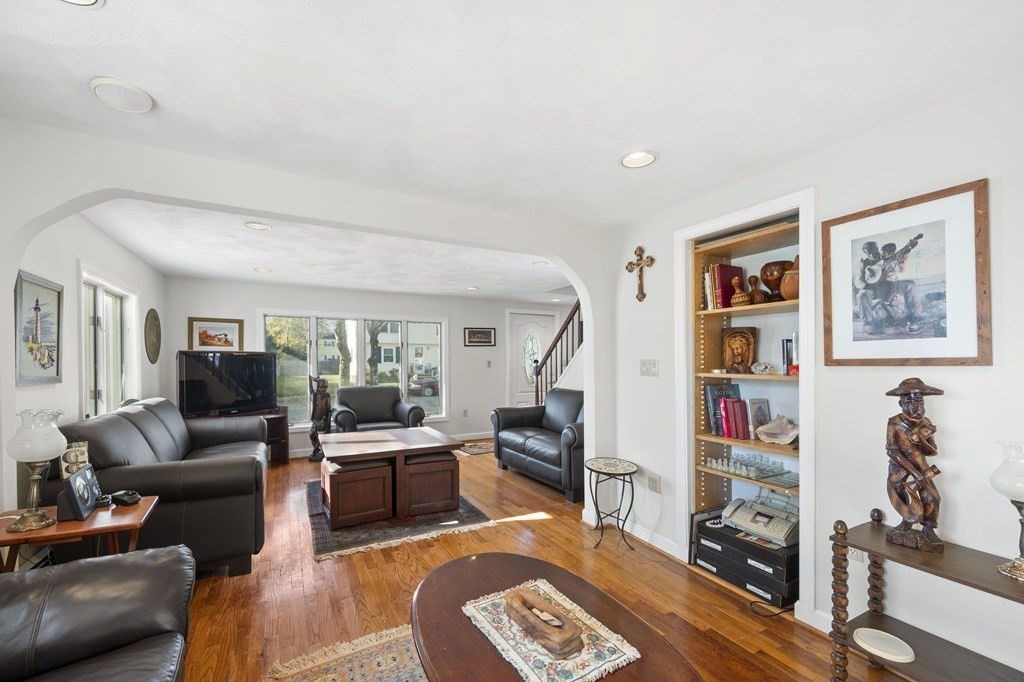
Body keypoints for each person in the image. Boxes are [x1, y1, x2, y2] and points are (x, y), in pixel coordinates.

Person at [883, 377, 944, 550]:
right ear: (901, 403)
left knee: (933, 498)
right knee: (900, 491)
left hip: (920, 463)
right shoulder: (894, 423)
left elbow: (932, 451)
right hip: (899, 466)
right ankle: (907, 520)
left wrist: (923, 439)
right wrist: (915, 474)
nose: (916, 406)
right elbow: (892, 451)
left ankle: (928, 528)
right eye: (910, 402)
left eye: (920, 402)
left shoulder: (926, 423)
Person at [308, 375, 331, 462]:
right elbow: (310, 388)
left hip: (323, 419)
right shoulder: (314, 395)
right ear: (317, 387)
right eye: (321, 387)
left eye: (325, 387)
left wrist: (328, 421)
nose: (323, 389)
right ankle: (317, 449)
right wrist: (312, 379)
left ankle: (316, 451)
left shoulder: (327, 396)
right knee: (311, 435)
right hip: (316, 419)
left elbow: (329, 410)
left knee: (322, 436)